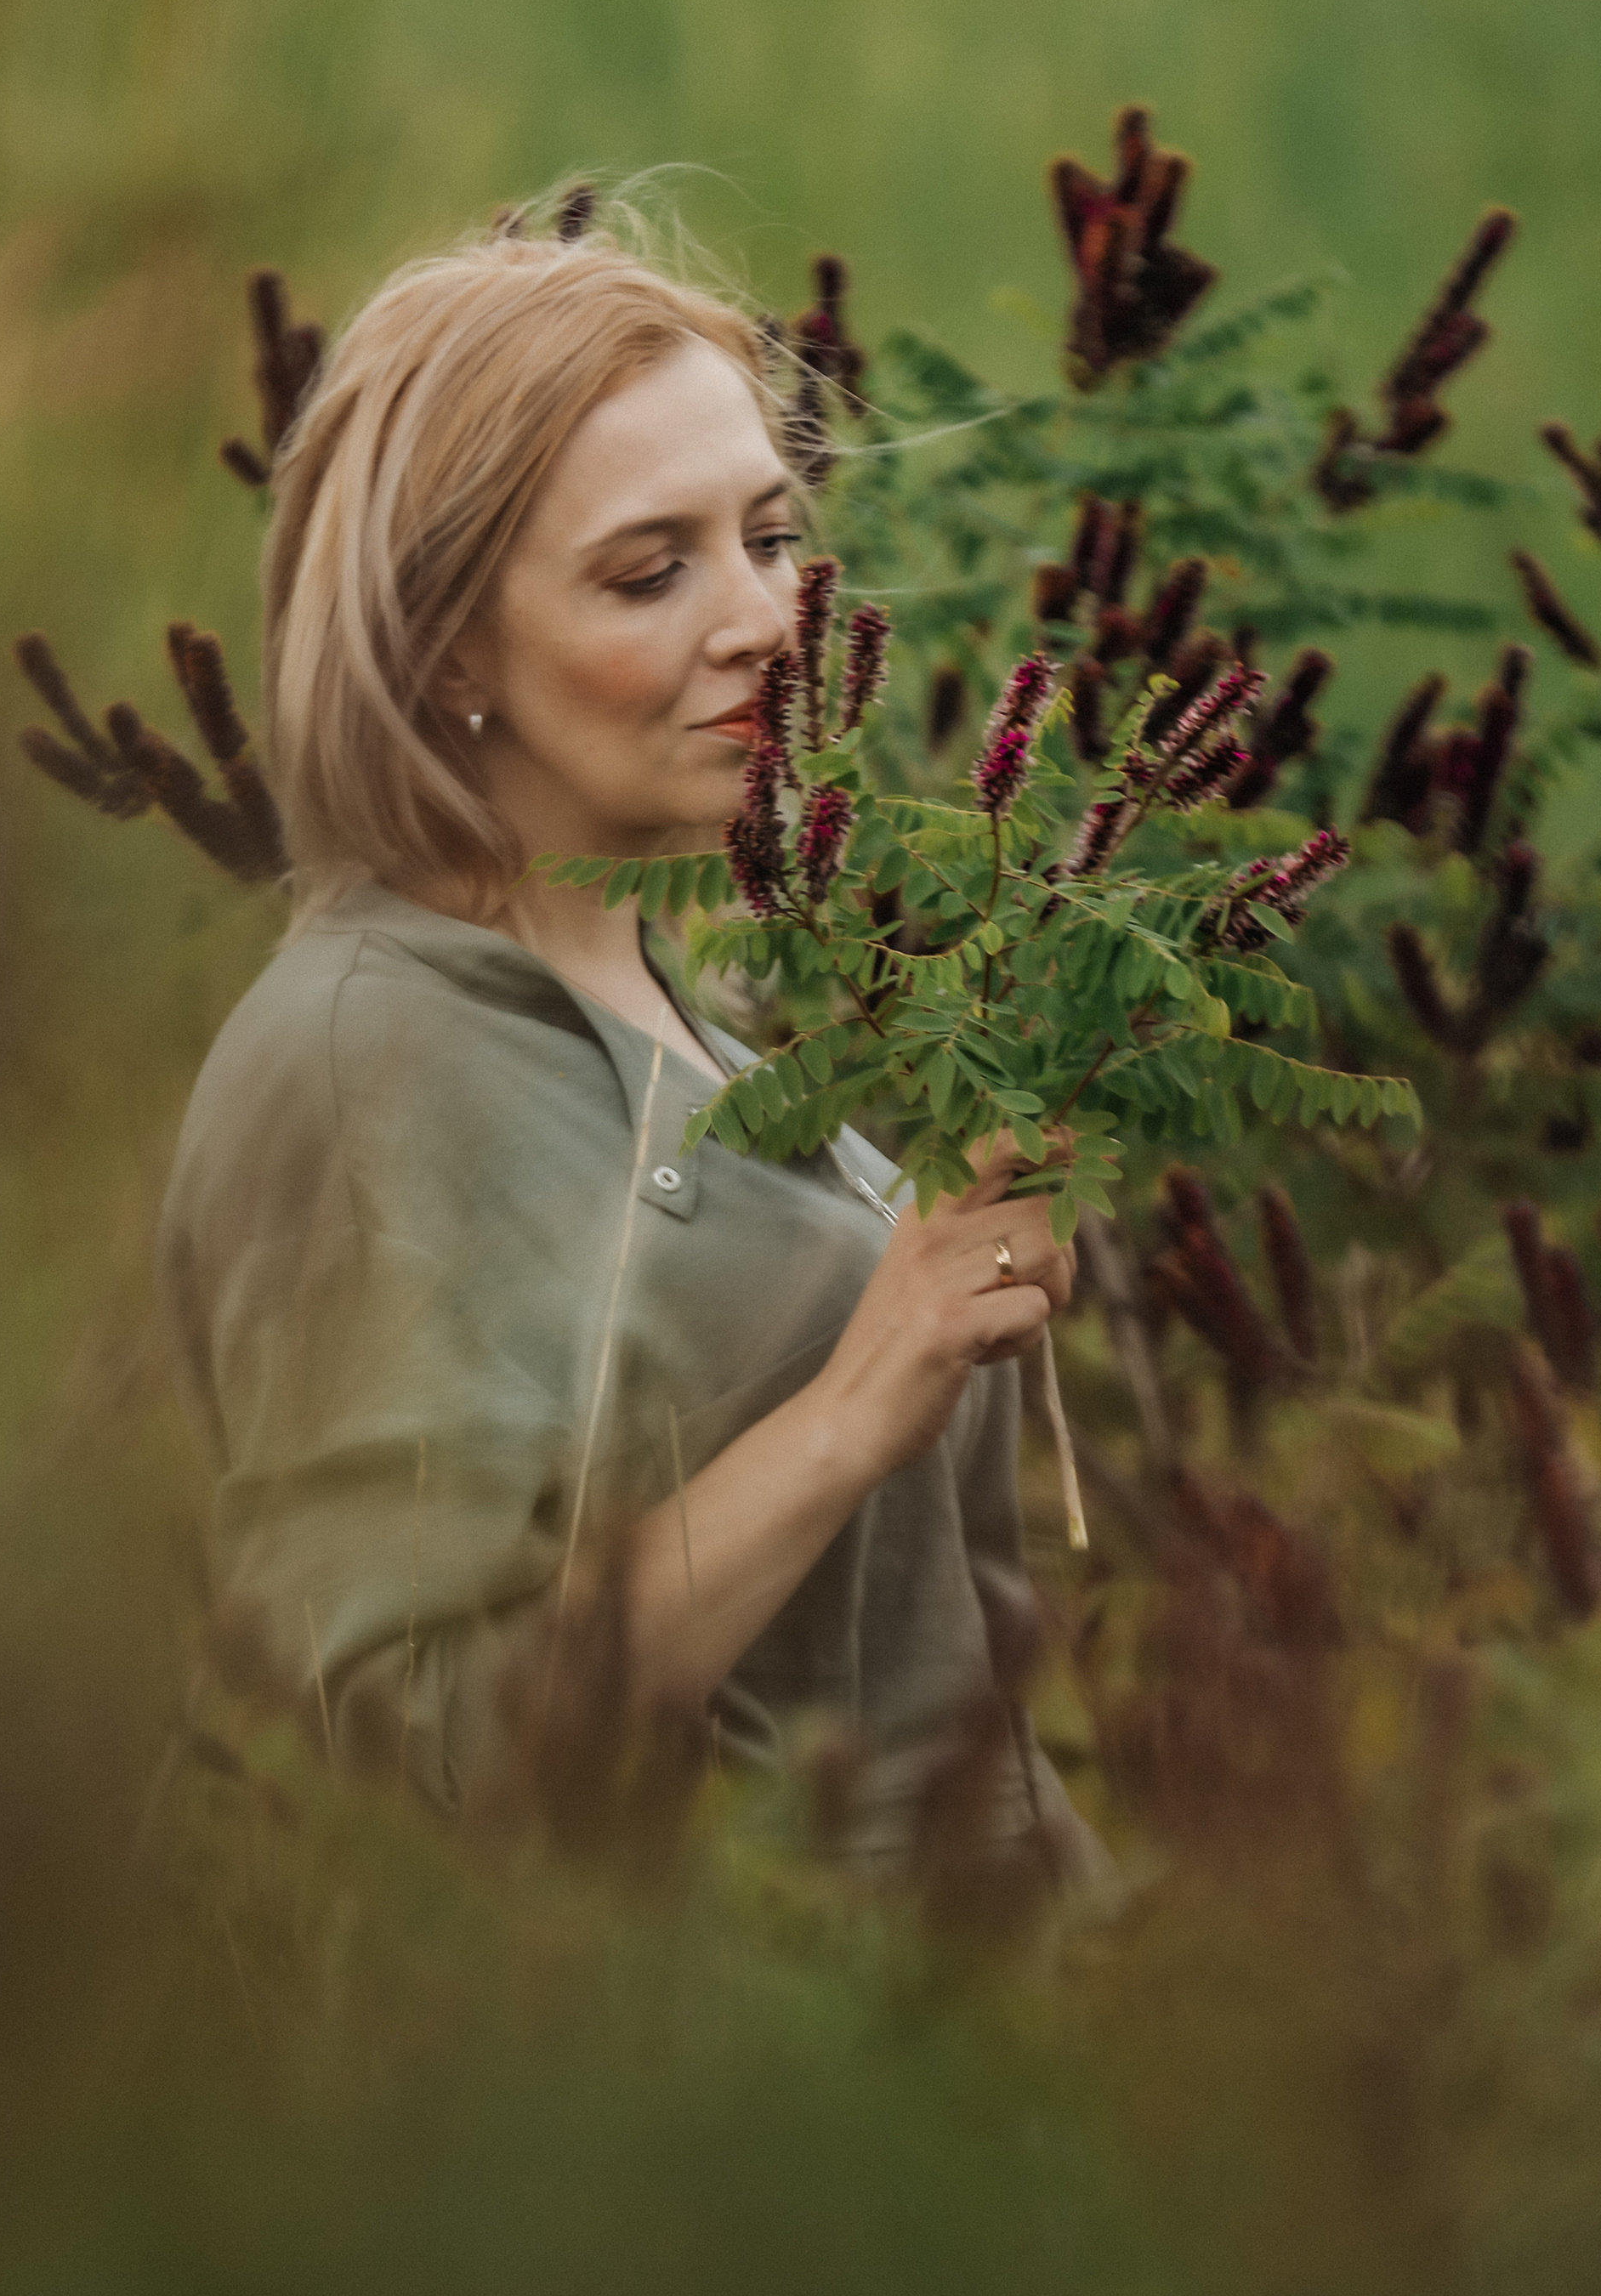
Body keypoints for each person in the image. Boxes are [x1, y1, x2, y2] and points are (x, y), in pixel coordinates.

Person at [157, 210, 1095, 1872]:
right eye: (648, 570)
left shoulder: (684, 1002)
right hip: (715, 2092)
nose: (763, 620)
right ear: (446, 643)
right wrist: (860, 1391)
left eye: (768, 536)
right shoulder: (362, 1063)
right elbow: (405, 1764)